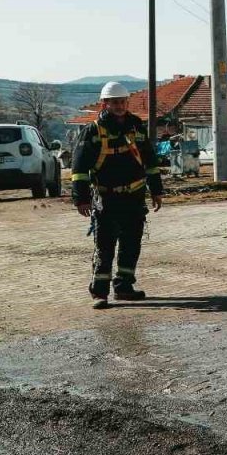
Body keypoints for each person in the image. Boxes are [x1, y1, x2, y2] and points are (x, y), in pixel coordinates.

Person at [71, 82, 164, 309]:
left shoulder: (136, 127)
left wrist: (157, 190)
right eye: (114, 102)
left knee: (131, 245)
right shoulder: (93, 132)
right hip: (107, 199)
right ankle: (100, 293)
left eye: (122, 102)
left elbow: (151, 162)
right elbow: (79, 169)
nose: (119, 106)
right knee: (104, 246)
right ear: (105, 104)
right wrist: (81, 199)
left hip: (134, 197)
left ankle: (124, 287)